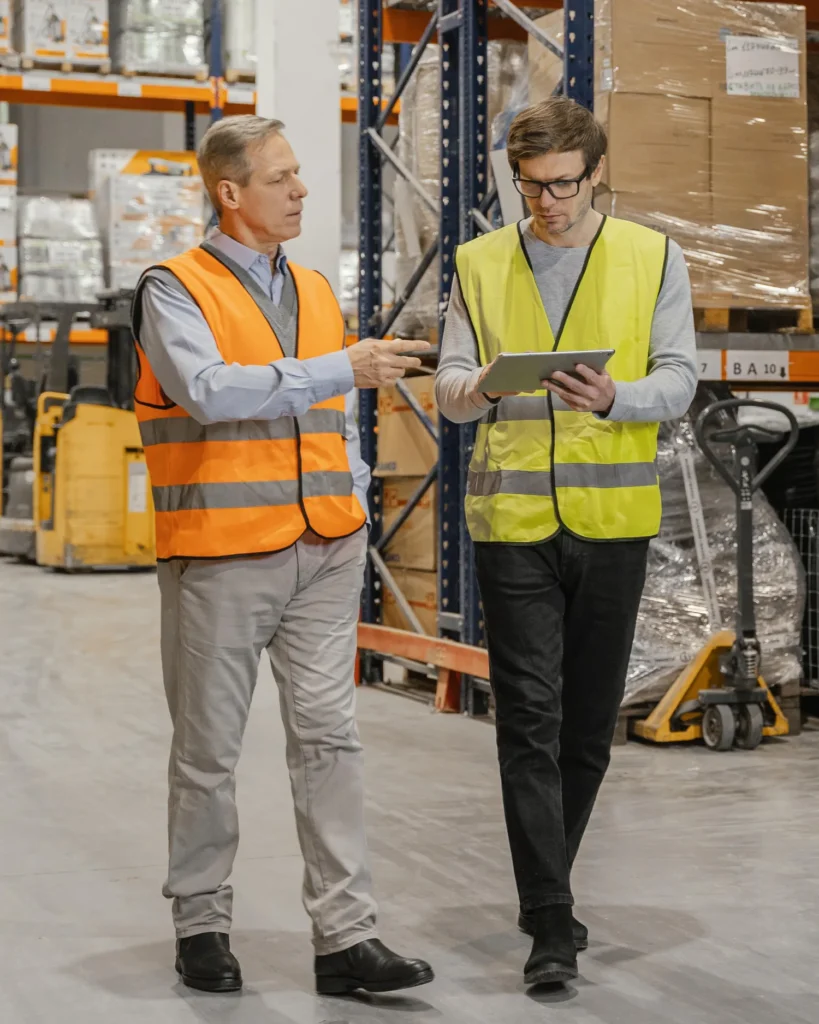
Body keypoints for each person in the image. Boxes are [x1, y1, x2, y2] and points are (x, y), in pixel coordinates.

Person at [131, 114, 434, 996]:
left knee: (330, 743)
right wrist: (343, 368)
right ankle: (201, 923)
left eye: (300, 175)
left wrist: (353, 492)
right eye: (283, 177)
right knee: (208, 753)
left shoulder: (313, 289)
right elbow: (211, 391)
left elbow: (330, 416)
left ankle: (346, 940)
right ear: (231, 193)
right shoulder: (174, 287)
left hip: (325, 548)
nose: (302, 190)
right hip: (223, 555)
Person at [435, 97, 697, 987]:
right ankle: (550, 917)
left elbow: (680, 379)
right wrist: (478, 391)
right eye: (529, 187)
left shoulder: (652, 256)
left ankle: (545, 882)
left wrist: (617, 398)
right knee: (528, 722)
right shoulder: (476, 263)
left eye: (560, 186)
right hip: (511, 526)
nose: (545, 204)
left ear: (594, 176)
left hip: (612, 523)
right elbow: (447, 384)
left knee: (587, 730)